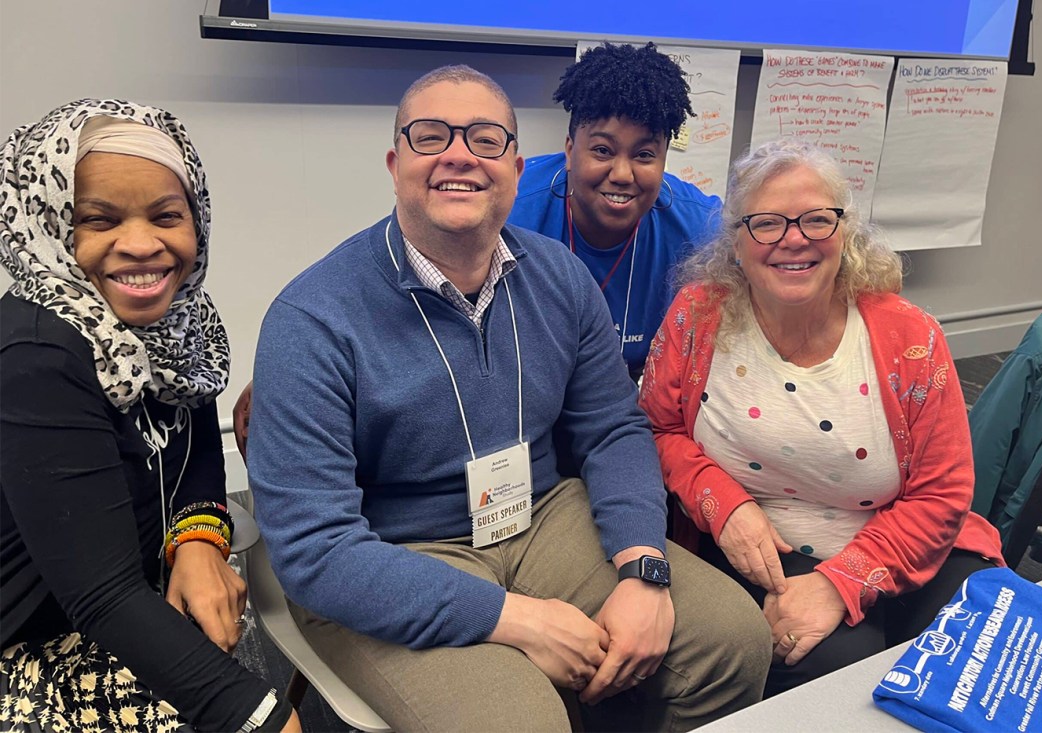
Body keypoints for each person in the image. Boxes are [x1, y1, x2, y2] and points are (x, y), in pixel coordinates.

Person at [247, 65, 770, 732]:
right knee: (520, 721)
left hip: (542, 512)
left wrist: (644, 562)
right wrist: (516, 619)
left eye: (486, 139)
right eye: (431, 136)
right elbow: (316, 548)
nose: (459, 154)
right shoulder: (311, 318)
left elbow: (612, 429)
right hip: (393, 549)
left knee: (732, 639)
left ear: (518, 168)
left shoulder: (561, 276)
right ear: (395, 162)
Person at [638, 139, 1005, 698]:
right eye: (766, 223)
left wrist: (842, 583)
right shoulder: (698, 315)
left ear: (845, 232)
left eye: (816, 219)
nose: (794, 239)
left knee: (991, 654)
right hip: (766, 559)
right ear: (736, 241)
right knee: (835, 677)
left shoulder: (910, 337)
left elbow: (942, 496)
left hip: (909, 545)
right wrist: (721, 501)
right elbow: (657, 430)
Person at [0, 99, 299, 733]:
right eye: (98, 220)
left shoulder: (179, 329)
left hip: (124, 617)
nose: (141, 245)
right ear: (48, 226)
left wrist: (195, 541)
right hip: (30, 646)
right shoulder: (35, 352)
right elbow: (100, 593)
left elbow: (197, 463)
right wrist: (261, 717)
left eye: (167, 216)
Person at [508, 42, 722, 379]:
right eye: (602, 150)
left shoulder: (701, 229)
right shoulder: (510, 210)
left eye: (644, 155)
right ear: (569, 149)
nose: (622, 174)